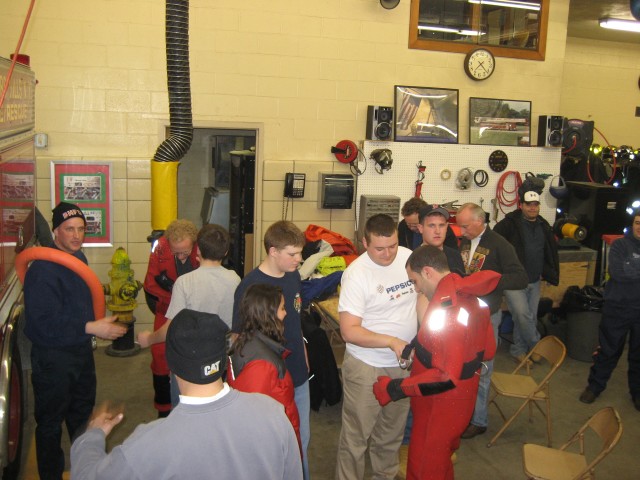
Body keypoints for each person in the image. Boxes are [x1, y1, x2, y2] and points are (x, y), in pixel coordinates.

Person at [71, 309, 302, 479]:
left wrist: (92, 436)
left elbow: (87, 476)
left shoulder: (148, 444)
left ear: (171, 364)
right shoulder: (272, 412)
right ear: (224, 359)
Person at [373, 245, 500, 479]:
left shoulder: (447, 310)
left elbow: (445, 377)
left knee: (424, 469)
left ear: (428, 272)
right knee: (441, 466)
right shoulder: (470, 297)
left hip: (439, 410)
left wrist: (394, 389)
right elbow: (488, 350)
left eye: (414, 281)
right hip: (460, 402)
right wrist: (417, 347)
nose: (415, 288)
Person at [23, 202, 127, 480]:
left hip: (80, 354)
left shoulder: (78, 259)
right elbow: (41, 325)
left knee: (83, 419)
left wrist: (93, 327)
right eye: (69, 229)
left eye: (81, 229)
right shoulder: (42, 270)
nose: (76, 235)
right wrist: (91, 327)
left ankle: (86, 470)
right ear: (56, 231)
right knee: (50, 425)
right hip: (52, 360)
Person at [335, 214, 418, 480]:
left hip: (402, 365)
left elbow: (423, 296)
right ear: (364, 243)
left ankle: (384, 476)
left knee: (391, 433)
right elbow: (349, 331)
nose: (387, 254)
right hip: (366, 367)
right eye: (379, 248)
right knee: (356, 437)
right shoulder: (356, 275)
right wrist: (391, 341)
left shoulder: (408, 257)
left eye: (392, 245)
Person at [231, 220, 311, 479]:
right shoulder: (250, 286)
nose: (299, 259)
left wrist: (305, 354)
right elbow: (239, 336)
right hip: (269, 381)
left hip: (298, 374)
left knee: (302, 442)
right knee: (274, 448)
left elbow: (296, 320)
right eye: (293, 254)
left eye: (300, 253)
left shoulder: (293, 276)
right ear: (273, 251)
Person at [139, 223, 240, 403]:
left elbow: (170, 327)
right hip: (219, 354)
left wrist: (149, 339)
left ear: (197, 249)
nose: (181, 256)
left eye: (185, 251)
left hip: (188, 356)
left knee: (183, 408)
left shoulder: (184, 282)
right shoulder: (235, 279)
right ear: (225, 252)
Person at [455, 202, 528, 439]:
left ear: (479, 221)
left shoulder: (500, 244)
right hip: (466, 312)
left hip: (487, 316)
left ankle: (479, 420)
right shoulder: (466, 240)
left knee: (483, 367)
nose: (462, 231)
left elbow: (520, 278)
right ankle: (465, 412)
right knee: (465, 365)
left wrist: (491, 281)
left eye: (465, 226)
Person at [579, 209, 640, 411]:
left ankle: (637, 393)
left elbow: (628, 271)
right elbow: (618, 273)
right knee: (608, 350)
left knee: (638, 355)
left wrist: (632, 267)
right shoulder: (620, 245)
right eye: (638, 222)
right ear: (632, 224)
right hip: (618, 307)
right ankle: (595, 386)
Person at [228, 283, 301, 447]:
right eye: (282, 308)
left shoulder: (251, 342)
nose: (286, 313)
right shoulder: (260, 365)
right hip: (273, 449)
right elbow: (253, 424)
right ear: (268, 315)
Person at [494, 189, 559, 363]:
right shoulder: (509, 224)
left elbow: (549, 251)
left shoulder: (543, 226)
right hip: (514, 281)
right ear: (521, 205)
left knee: (527, 316)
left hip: (535, 279)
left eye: (535, 205)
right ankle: (537, 345)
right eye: (528, 205)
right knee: (523, 315)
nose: (532, 208)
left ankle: (519, 350)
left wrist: (550, 273)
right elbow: (495, 244)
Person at [143, 219, 199, 417]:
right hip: (167, 307)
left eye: (185, 252)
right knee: (159, 354)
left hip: (195, 310)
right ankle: (164, 408)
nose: (181, 256)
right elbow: (150, 283)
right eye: (177, 252)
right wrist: (175, 296)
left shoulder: (202, 248)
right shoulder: (160, 248)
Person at [418, 204, 465, 275]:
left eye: (441, 225)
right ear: (421, 228)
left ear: (446, 227)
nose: (437, 231)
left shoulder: (456, 256)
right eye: (431, 225)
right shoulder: (413, 259)